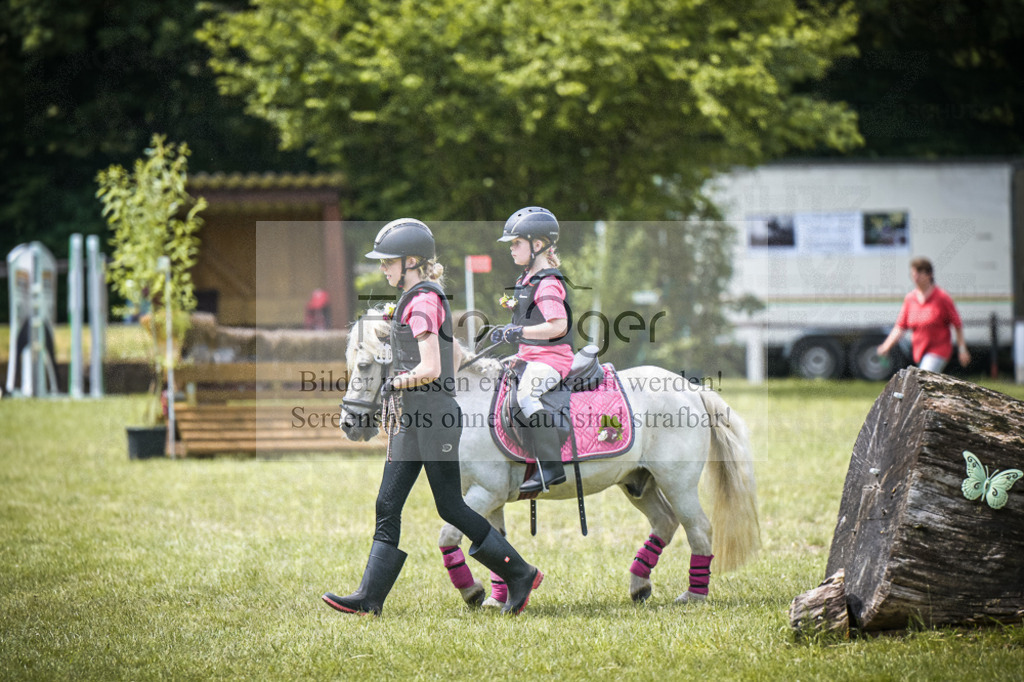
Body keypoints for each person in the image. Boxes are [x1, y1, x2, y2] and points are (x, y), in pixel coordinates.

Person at [323, 218, 542, 616]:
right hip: (414, 419)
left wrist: (394, 383)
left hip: (434, 419)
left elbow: (431, 369)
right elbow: (453, 356)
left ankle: (520, 573)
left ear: (411, 261)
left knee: (451, 508)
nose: (383, 268)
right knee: (387, 504)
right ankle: (369, 598)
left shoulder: (423, 301)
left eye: (389, 262)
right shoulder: (415, 297)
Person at [490, 206, 574, 494]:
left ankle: (551, 467)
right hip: (532, 356)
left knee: (527, 395)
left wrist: (519, 332)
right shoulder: (524, 281)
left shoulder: (548, 283)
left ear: (537, 245)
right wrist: (511, 339)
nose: (512, 249)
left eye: (516, 243)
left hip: (553, 359)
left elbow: (557, 326)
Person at [877, 257, 971, 373]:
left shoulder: (942, 297)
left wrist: (962, 349)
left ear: (929, 275)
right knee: (928, 385)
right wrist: (886, 346)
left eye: (919, 273)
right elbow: (900, 327)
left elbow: (957, 325)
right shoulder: (910, 299)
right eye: (913, 274)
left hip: (939, 350)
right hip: (919, 351)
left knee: (922, 378)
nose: (915, 277)